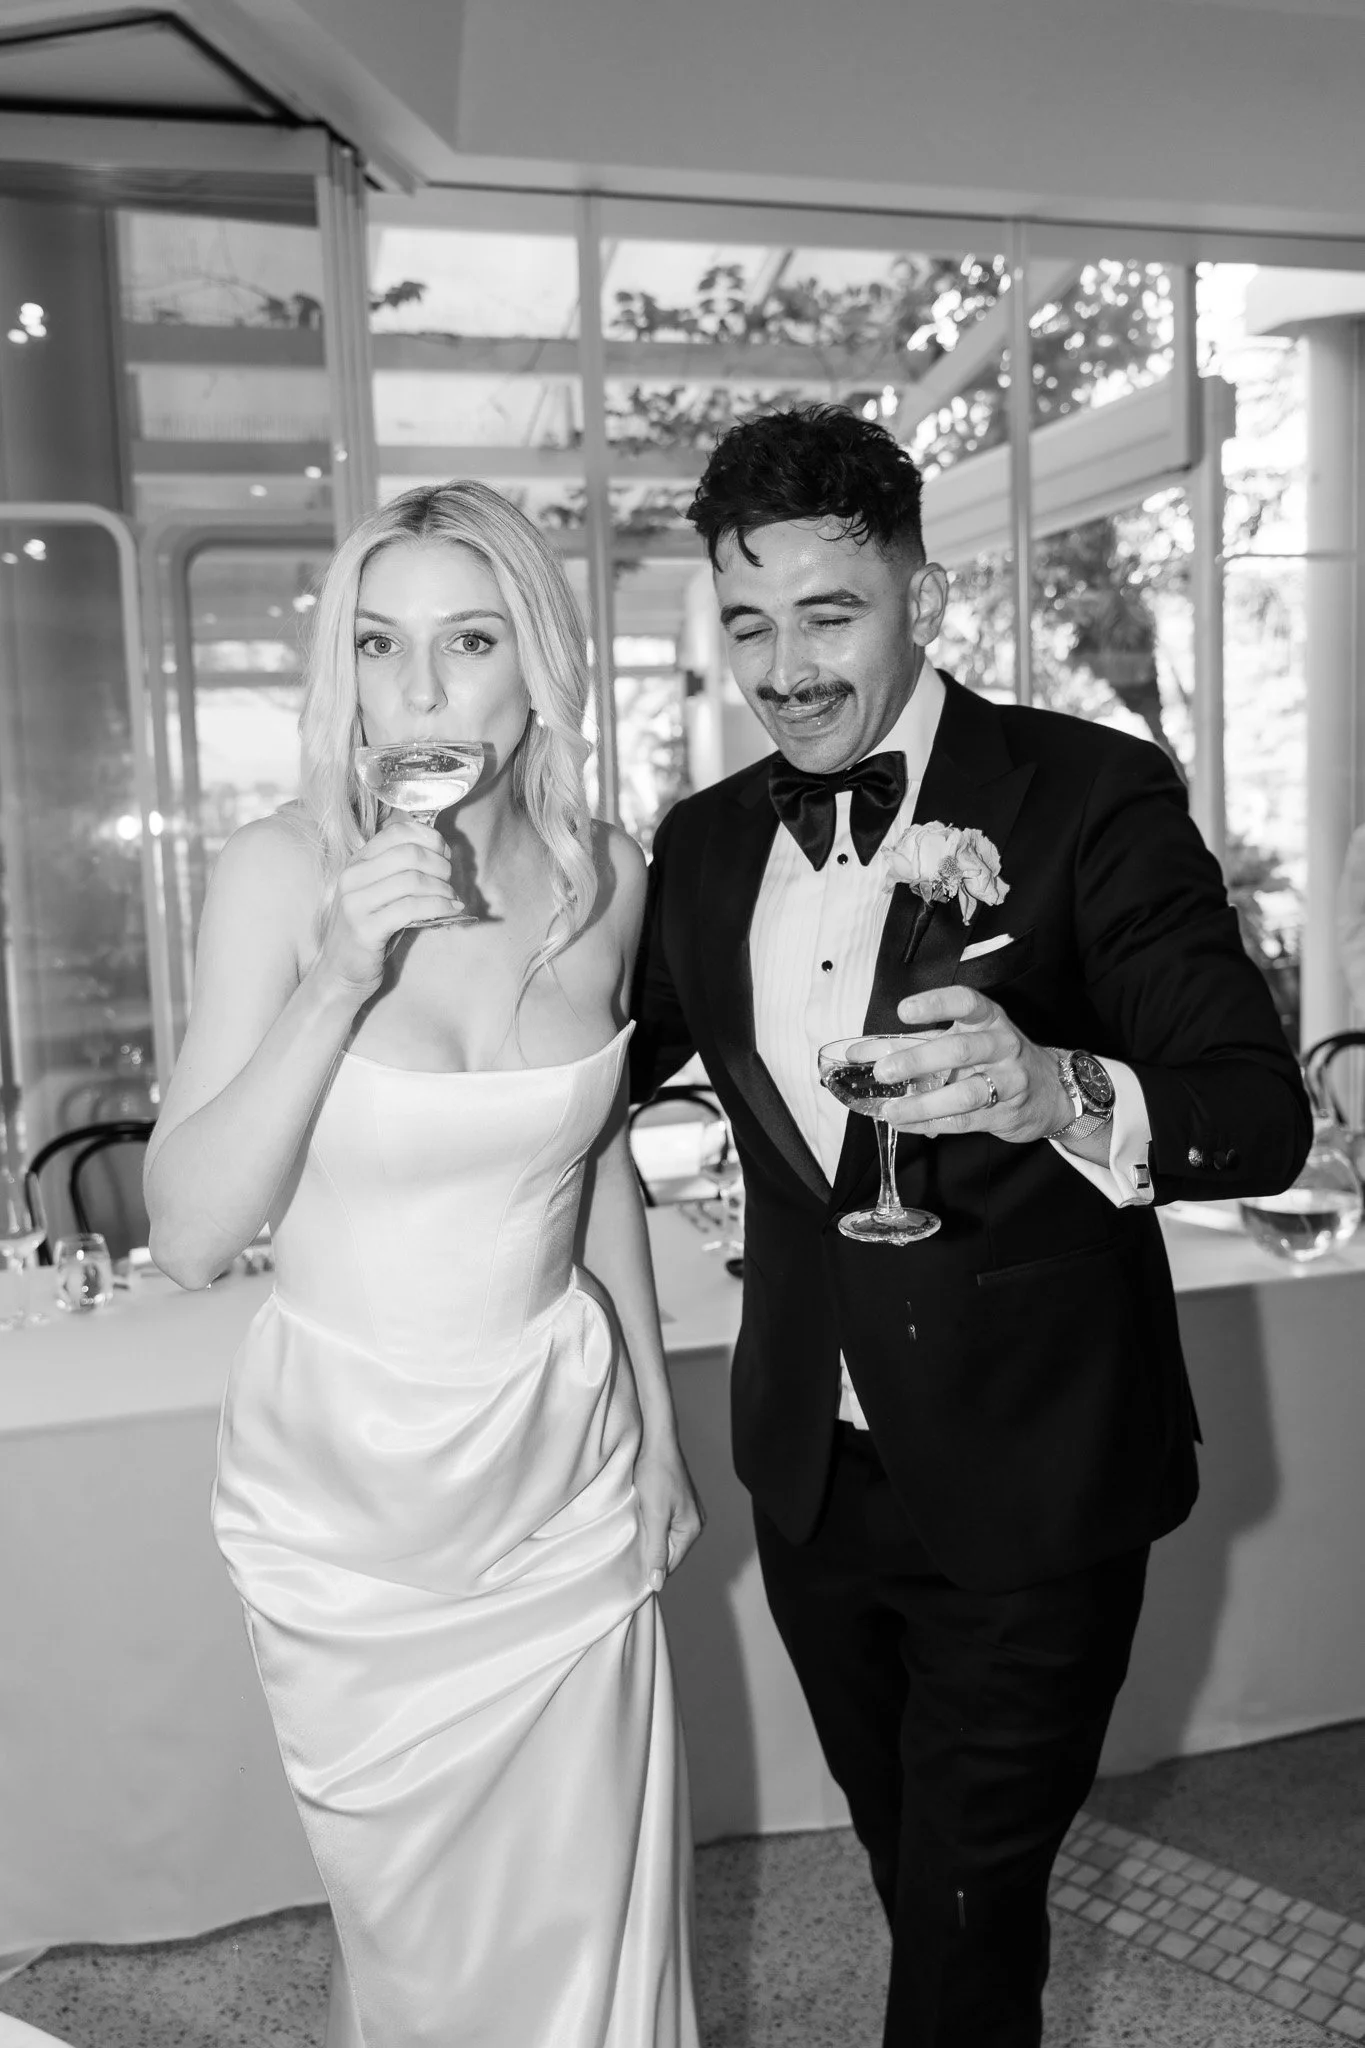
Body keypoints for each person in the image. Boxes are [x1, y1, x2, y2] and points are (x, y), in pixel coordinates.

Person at [629, 405, 1312, 2048]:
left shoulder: (1087, 791)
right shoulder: (703, 843)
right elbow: (582, 1061)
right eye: (747, 623)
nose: (785, 670)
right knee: (912, 1864)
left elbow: (1254, 1108)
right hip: (812, 1476)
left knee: (965, 1902)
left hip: (1034, 1467)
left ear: (924, 598)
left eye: (829, 614)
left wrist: (1053, 1087)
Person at [144, 481, 702, 2048]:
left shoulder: (604, 875)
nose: (422, 691)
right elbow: (189, 1236)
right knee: (408, 1938)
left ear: (539, 668)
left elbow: (594, 1168)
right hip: (353, 1511)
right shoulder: (278, 872)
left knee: (582, 1910)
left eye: (468, 641)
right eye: (380, 646)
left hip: (562, 1477)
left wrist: (662, 1434)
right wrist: (337, 974)